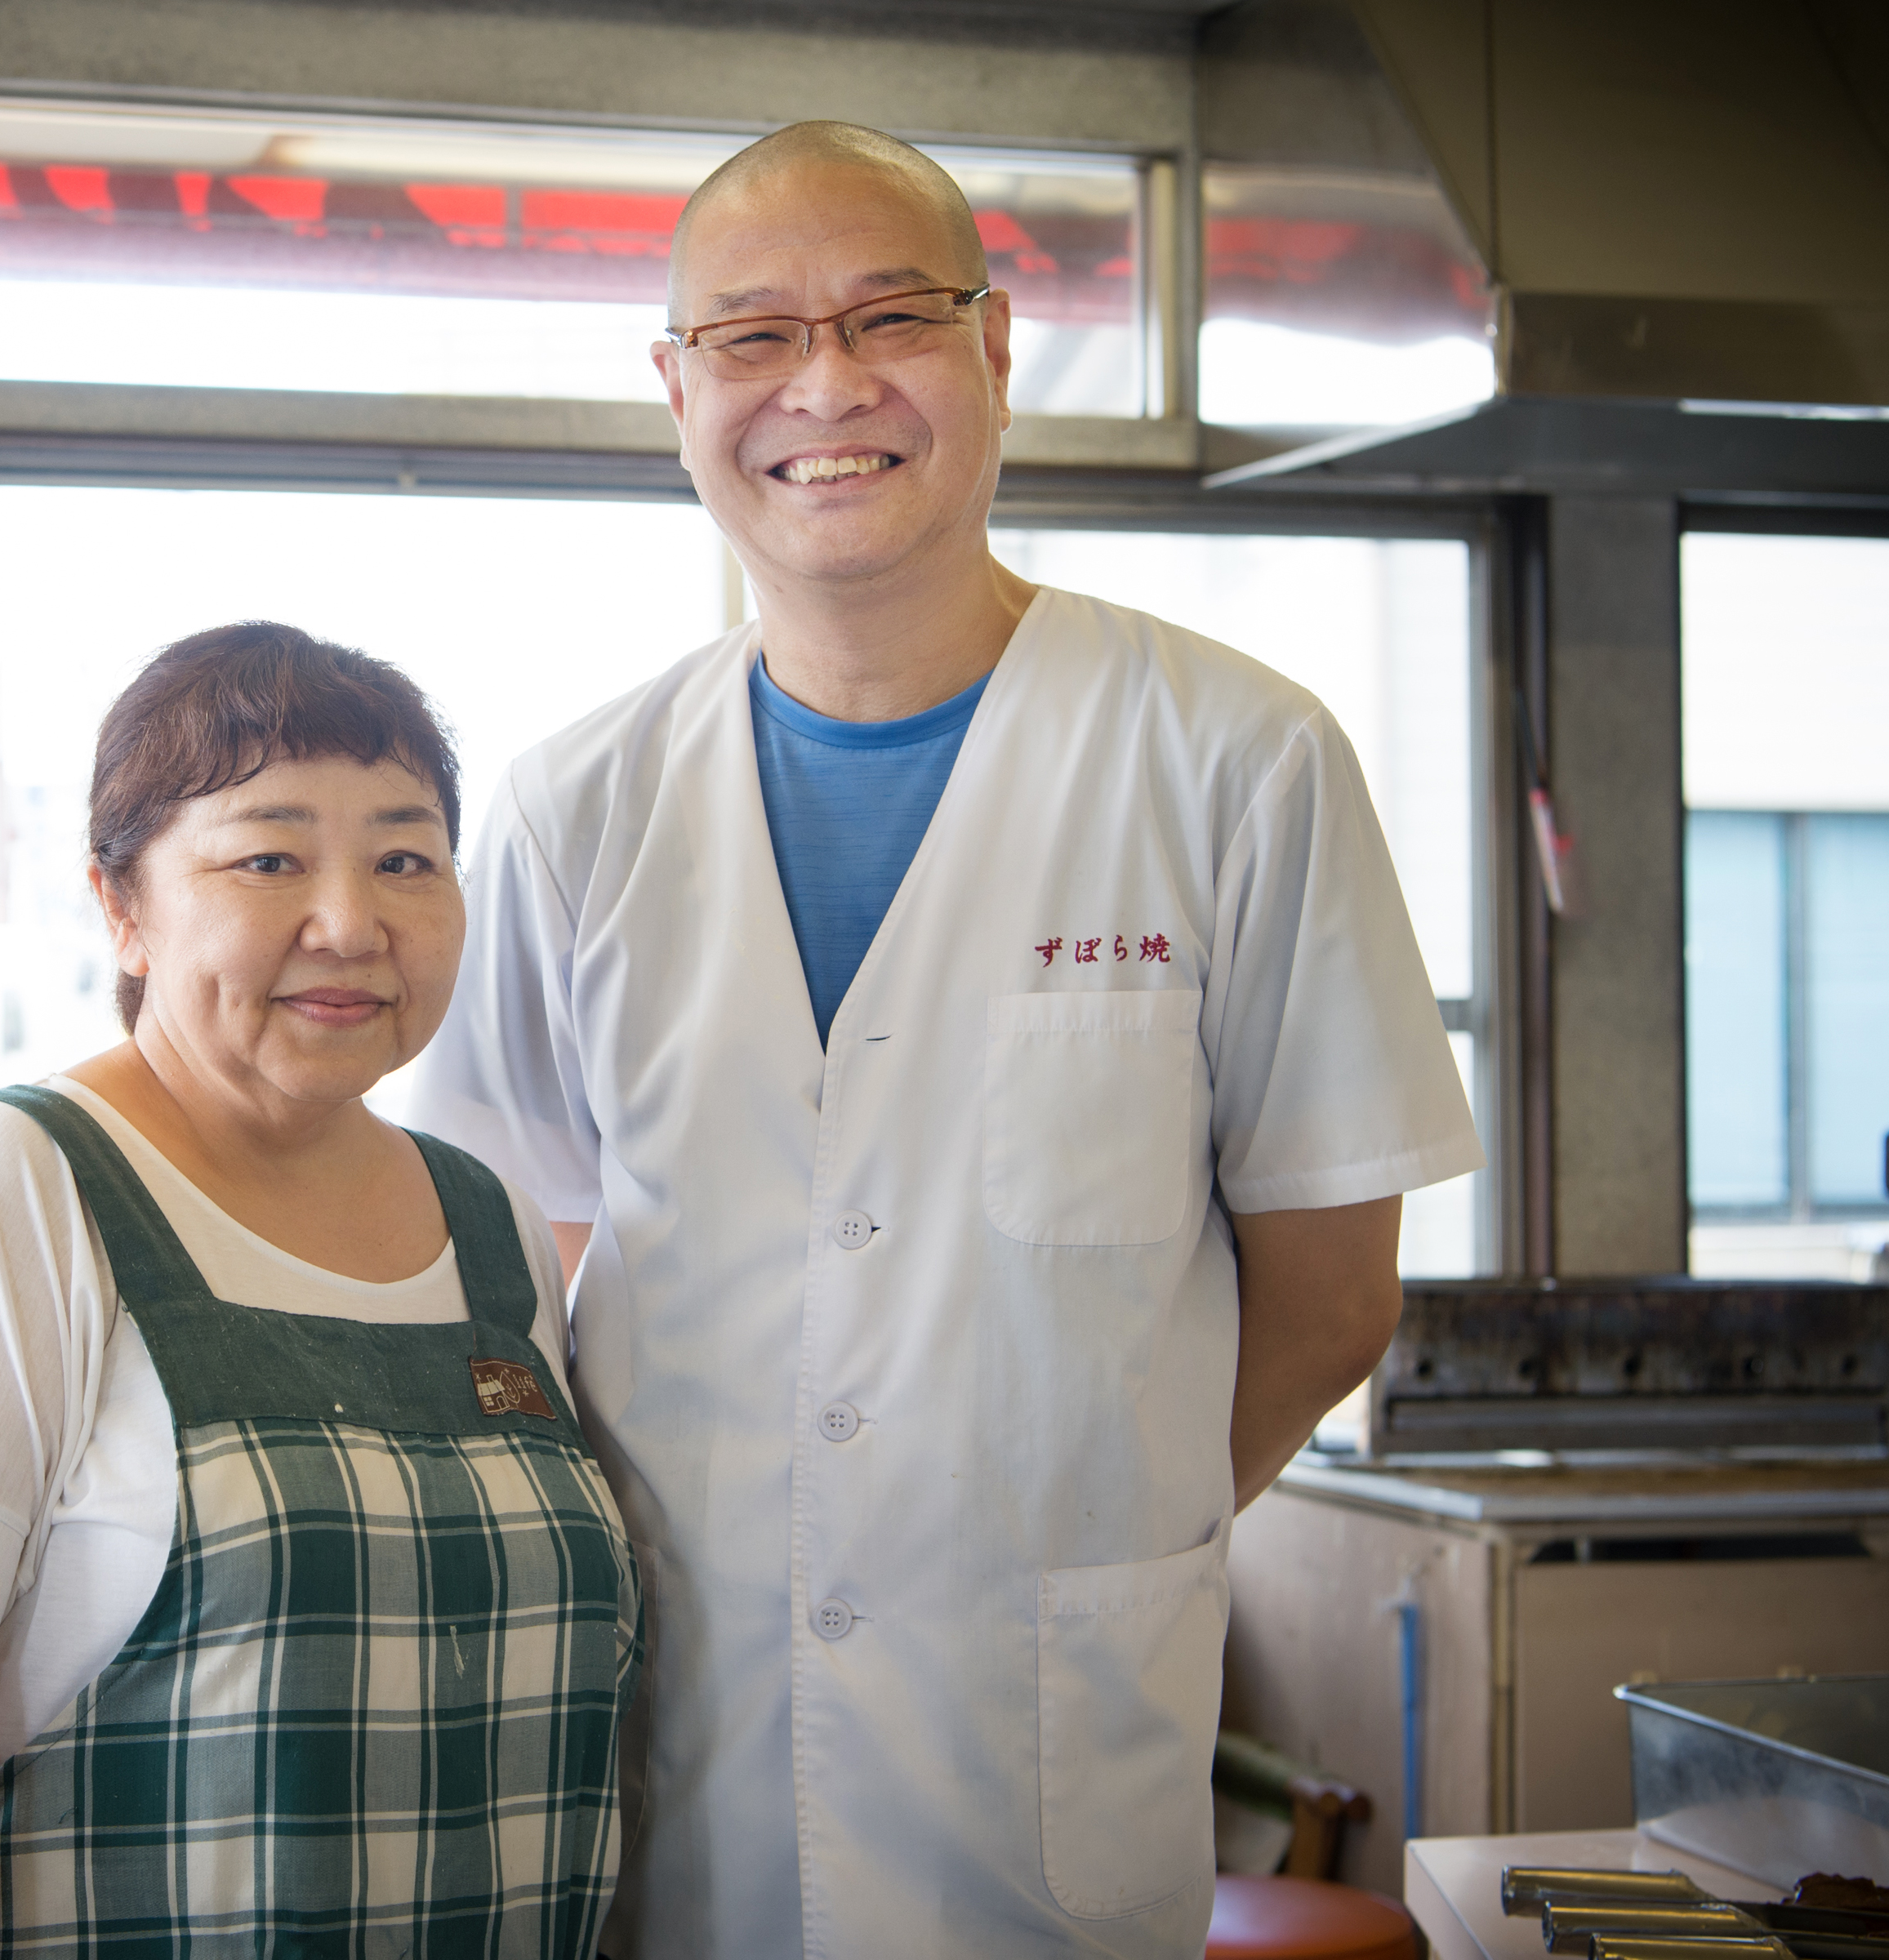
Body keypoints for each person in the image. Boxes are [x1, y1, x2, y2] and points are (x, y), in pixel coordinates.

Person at [403, 122, 1484, 1958]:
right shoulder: (576, 803)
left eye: (886, 318)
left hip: (1046, 1767)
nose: (823, 385)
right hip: (686, 1762)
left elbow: (1329, 1288)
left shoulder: (1232, 758)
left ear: (992, 354)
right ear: (675, 393)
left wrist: (1067, 1518)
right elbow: (528, 1268)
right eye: (750, 337)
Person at [0, 622, 642, 1959]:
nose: (349, 922)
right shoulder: (21, 1186)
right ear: (123, 907)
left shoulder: (493, 1226)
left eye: (406, 858)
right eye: (267, 857)